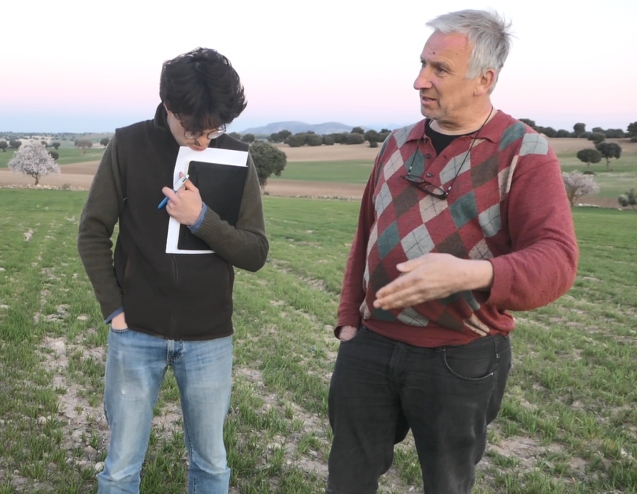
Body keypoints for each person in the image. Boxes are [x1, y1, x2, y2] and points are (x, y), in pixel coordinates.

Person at [327, 9, 578, 494]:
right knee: (347, 479)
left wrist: (470, 274)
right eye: (422, 63)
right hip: (370, 346)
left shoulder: (524, 151)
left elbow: (557, 259)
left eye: (439, 69)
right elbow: (365, 235)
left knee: (447, 484)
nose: (419, 80)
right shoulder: (395, 144)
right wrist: (348, 321)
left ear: (485, 79)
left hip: (460, 357)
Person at [77, 47, 268, 493]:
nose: (203, 141)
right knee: (120, 468)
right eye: (194, 129)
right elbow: (92, 231)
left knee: (212, 464)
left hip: (210, 338)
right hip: (135, 332)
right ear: (168, 105)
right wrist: (114, 310)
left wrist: (201, 220)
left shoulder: (237, 157)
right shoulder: (128, 145)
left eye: (214, 129)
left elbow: (255, 252)